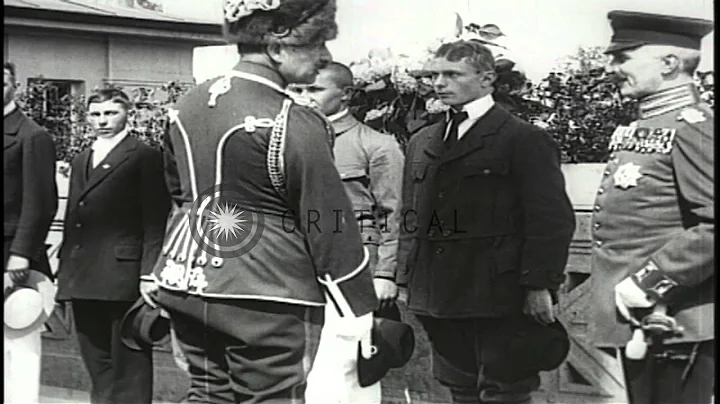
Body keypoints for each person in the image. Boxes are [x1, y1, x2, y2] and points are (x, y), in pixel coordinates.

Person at [146, 1, 378, 403]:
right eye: (317, 43)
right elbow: (327, 220)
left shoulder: (186, 105)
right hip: (266, 290)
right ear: (276, 46)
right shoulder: (292, 119)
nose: (324, 56)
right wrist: (357, 301)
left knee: (207, 394)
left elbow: (179, 195)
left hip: (186, 278)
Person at [396, 40, 576, 404]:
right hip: (439, 292)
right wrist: (405, 277)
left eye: (452, 74)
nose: (439, 83)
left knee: (505, 391)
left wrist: (539, 285)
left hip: (498, 293)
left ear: (487, 78)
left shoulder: (523, 139)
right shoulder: (423, 140)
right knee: (458, 389)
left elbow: (550, 219)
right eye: (434, 75)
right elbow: (411, 216)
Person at [589, 10, 714, 404]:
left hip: (676, 319)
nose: (611, 67)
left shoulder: (692, 125)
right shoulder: (646, 125)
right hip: (642, 318)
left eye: (622, 57)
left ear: (669, 63)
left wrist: (649, 282)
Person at [56, 88, 171, 404]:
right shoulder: (82, 159)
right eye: (96, 114)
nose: (102, 121)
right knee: (97, 363)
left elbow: (155, 220)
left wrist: (149, 273)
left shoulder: (144, 156)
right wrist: (64, 274)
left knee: (129, 362)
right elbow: (73, 221)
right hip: (83, 275)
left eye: (110, 113)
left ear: (127, 115)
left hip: (124, 275)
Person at [299, 62, 404, 403]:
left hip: (354, 267)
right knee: (301, 365)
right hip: (298, 266)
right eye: (299, 89)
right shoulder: (291, 141)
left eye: (314, 90)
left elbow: (395, 213)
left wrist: (386, 273)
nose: (304, 97)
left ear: (345, 95)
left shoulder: (376, 145)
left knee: (348, 362)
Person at [3, 61, 58, 404]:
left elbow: (40, 202)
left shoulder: (31, 135)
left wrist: (21, 253)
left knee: (19, 339)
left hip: (12, 255)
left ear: (14, 86)